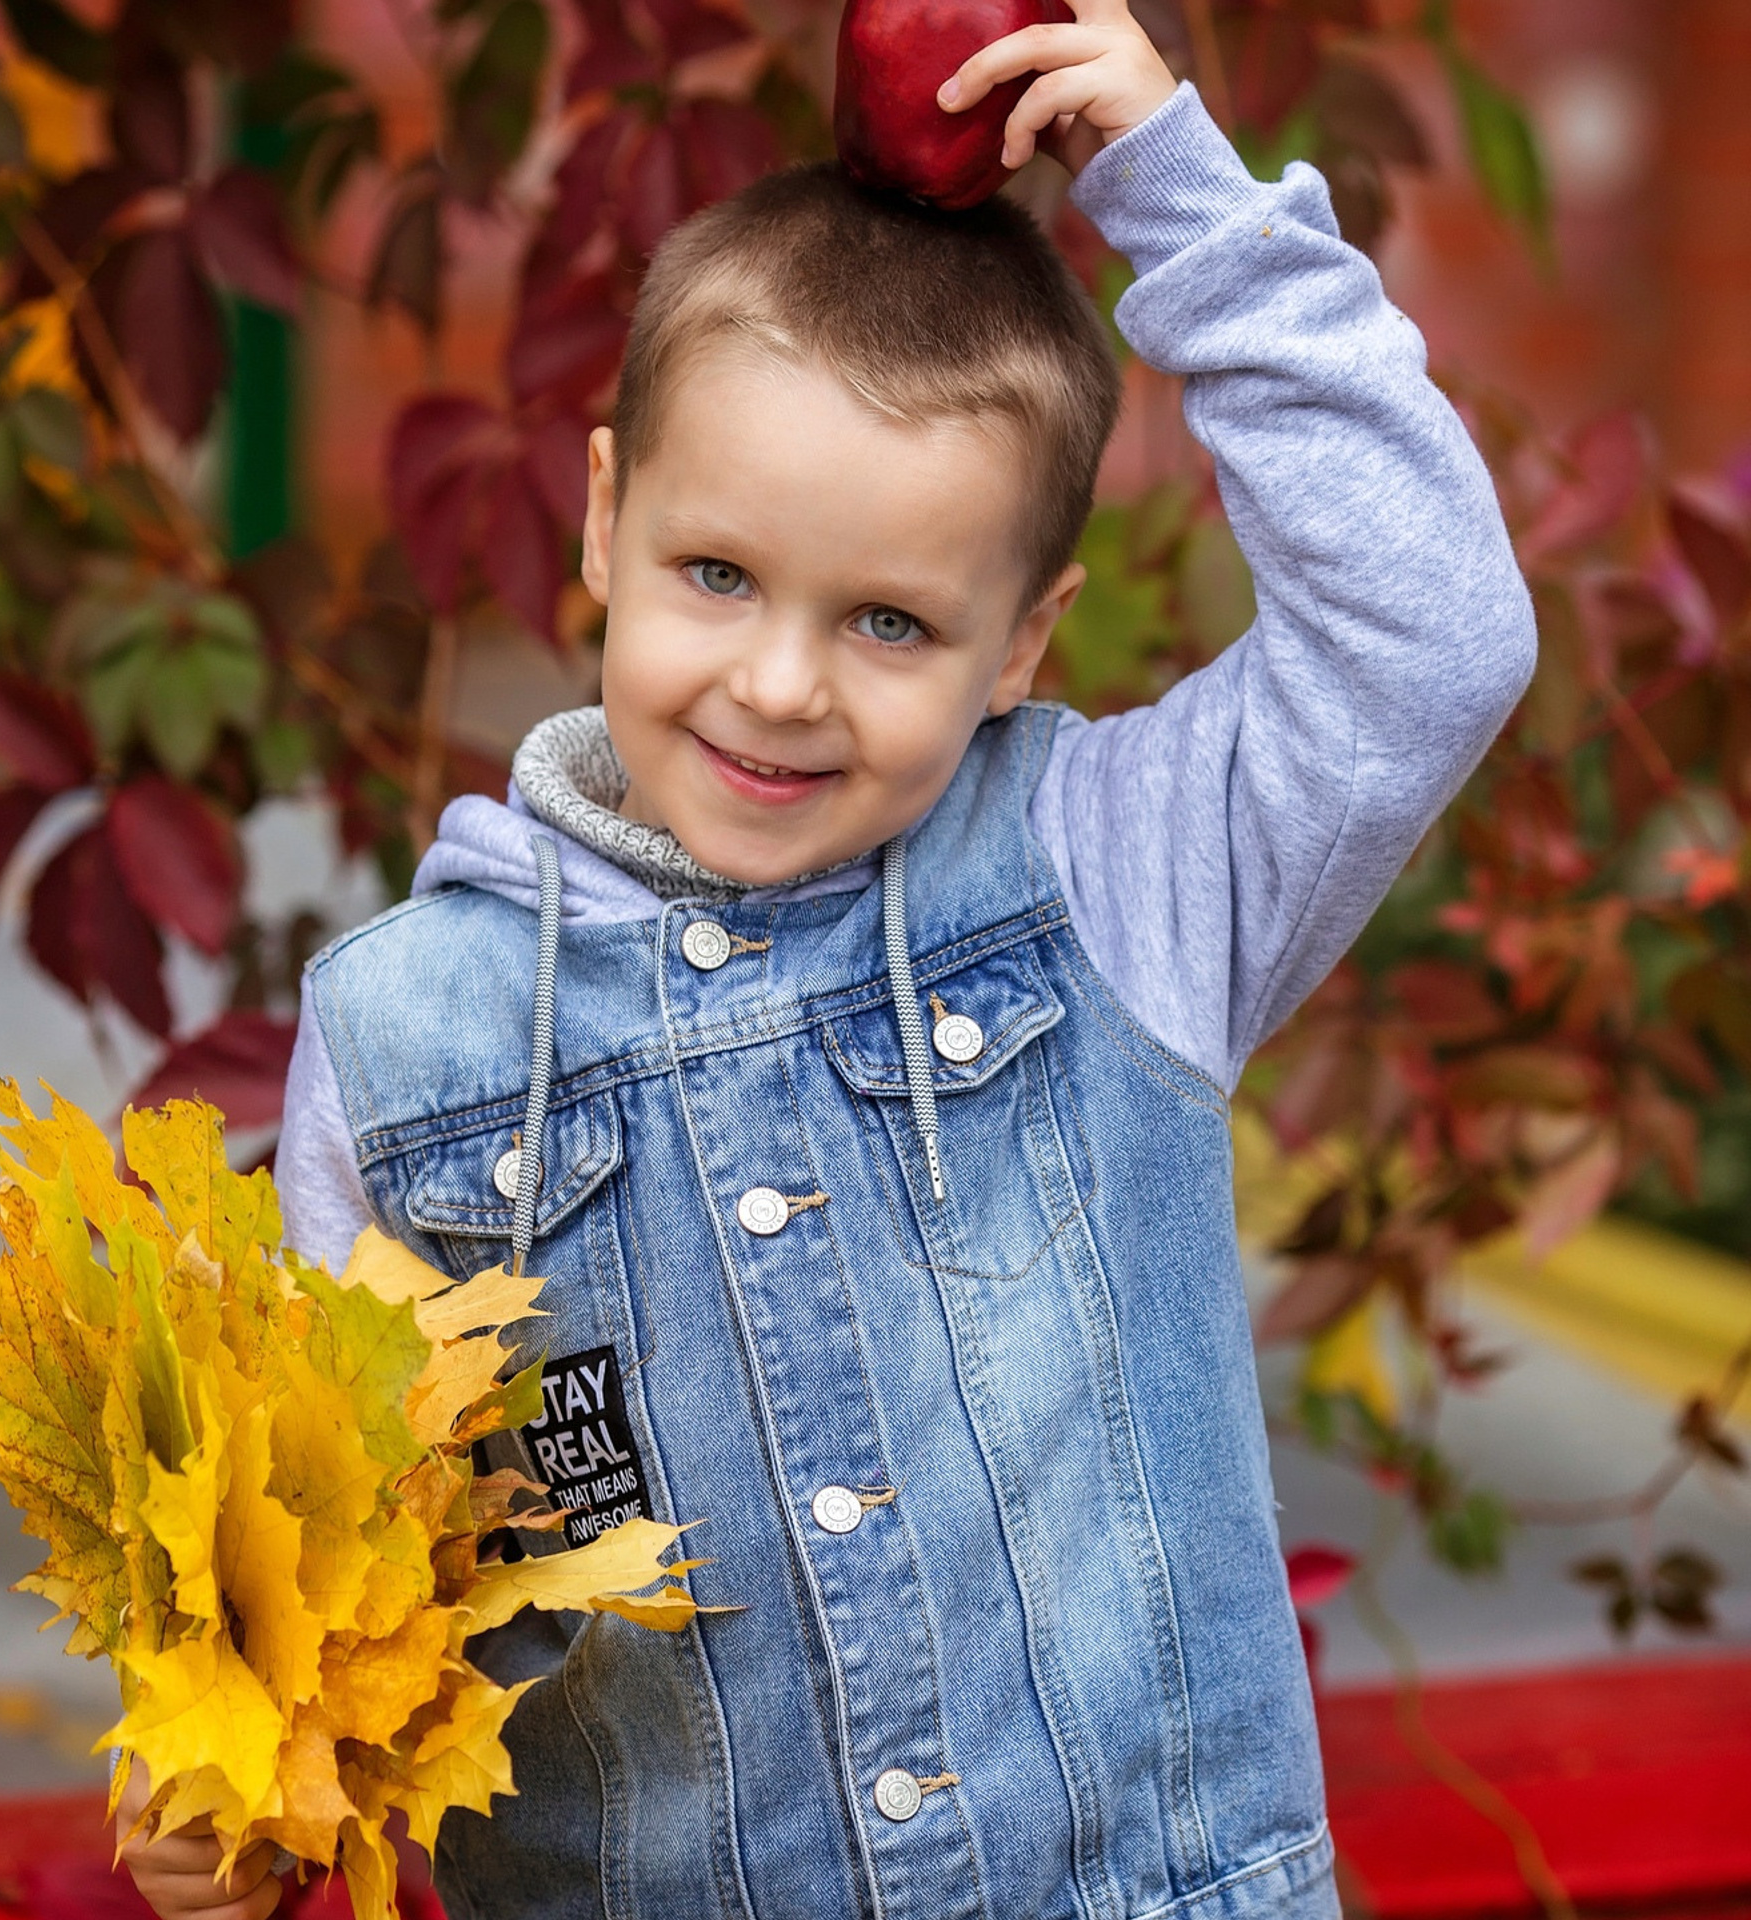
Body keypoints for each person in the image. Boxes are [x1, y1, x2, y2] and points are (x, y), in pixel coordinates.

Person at [118, 1, 1534, 1914]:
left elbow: (1434, 637)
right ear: (607, 517)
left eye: (888, 620)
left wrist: (1180, 195)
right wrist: (246, 1793)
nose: (780, 686)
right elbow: (341, 1597)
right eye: (719, 575)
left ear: (1023, 642)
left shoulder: (1114, 881)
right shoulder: (408, 1041)